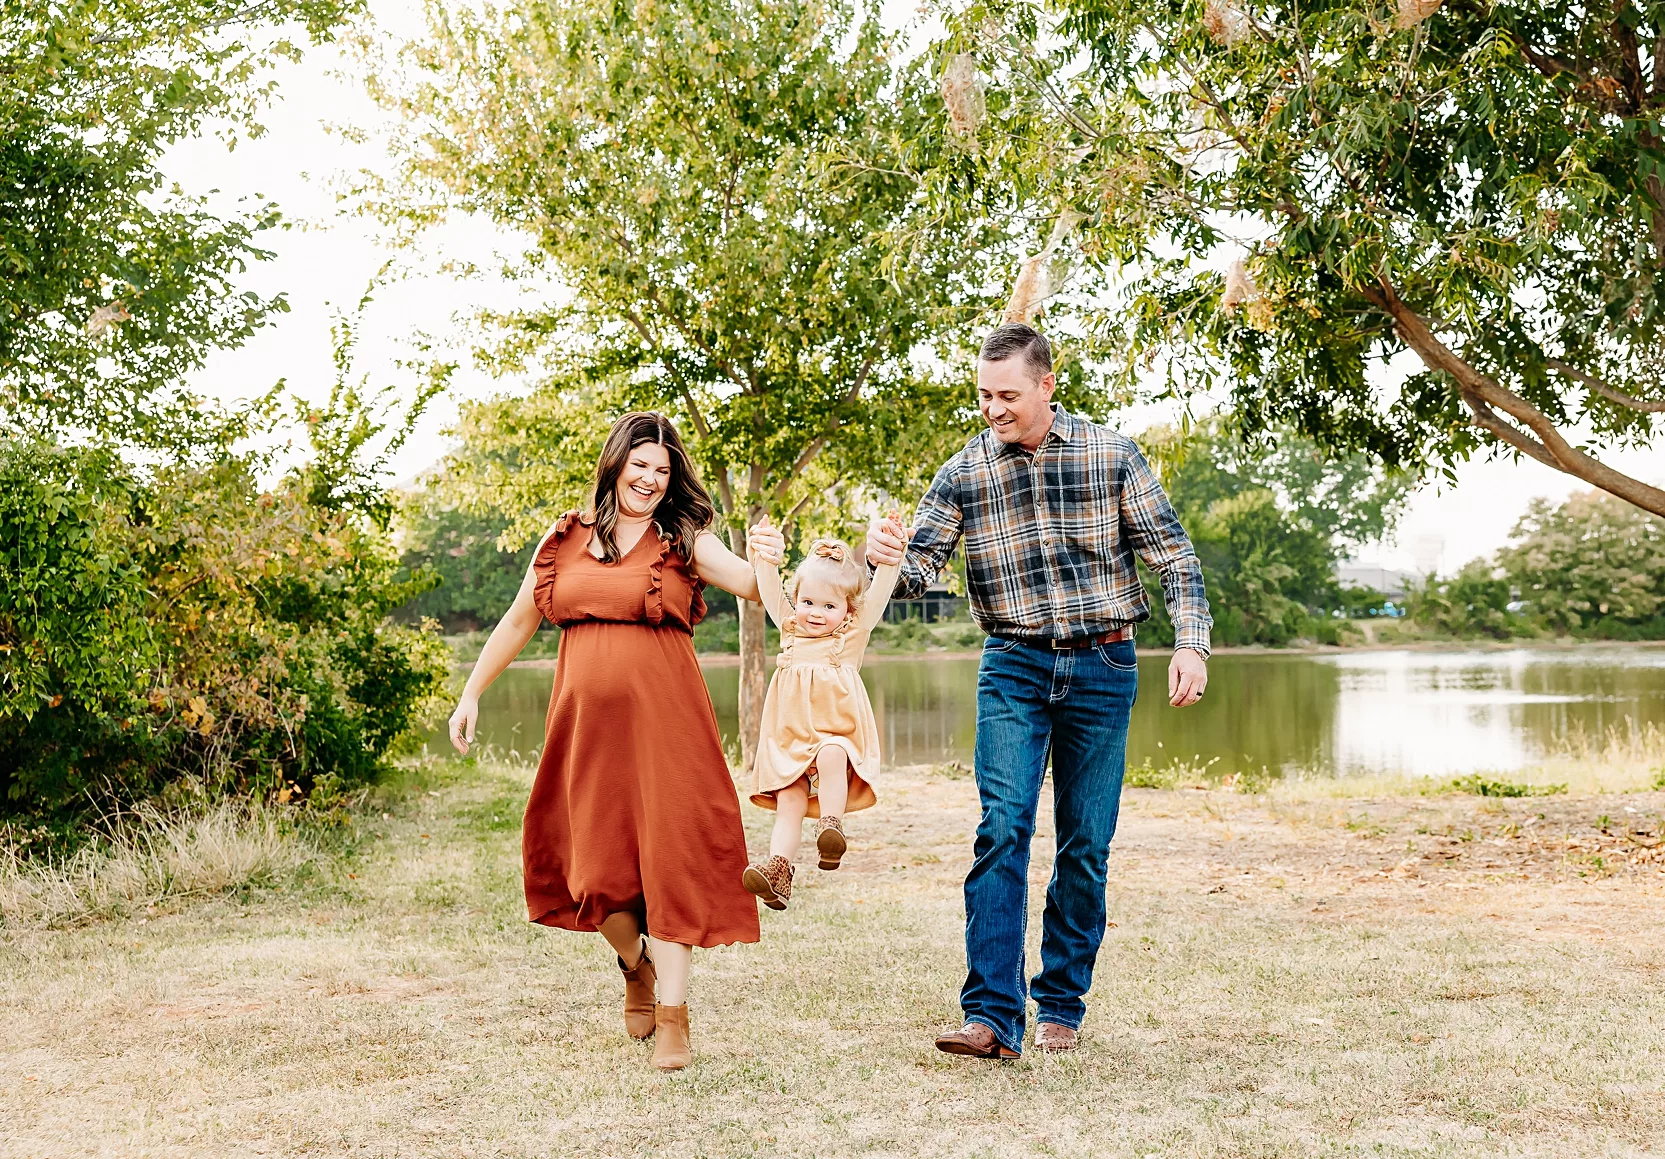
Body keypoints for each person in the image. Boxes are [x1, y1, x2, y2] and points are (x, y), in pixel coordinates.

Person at [865, 323, 1211, 1059]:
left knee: (1084, 844)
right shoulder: (963, 472)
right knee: (1002, 829)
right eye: (984, 394)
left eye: (1007, 394)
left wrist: (1190, 642)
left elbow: (1173, 556)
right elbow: (917, 574)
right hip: (1013, 666)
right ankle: (991, 1015)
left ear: (1046, 385)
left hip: (1103, 664)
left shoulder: (1109, 452)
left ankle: (1060, 1000)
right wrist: (884, 561)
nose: (992, 408)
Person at [448, 411, 785, 1071]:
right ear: (614, 464)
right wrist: (471, 691)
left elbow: (752, 587)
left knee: (670, 864)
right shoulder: (562, 537)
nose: (651, 479)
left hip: (668, 729)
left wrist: (769, 562)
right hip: (587, 736)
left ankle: (674, 1021)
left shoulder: (683, 539)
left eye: (662, 470)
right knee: (593, 874)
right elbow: (519, 621)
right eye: (640, 466)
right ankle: (636, 965)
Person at [739, 516, 903, 910]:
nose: (815, 612)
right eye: (808, 602)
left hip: (835, 734)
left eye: (829, 605)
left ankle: (831, 826)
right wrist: (764, 552)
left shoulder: (852, 634)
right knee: (789, 799)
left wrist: (893, 553)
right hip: (791, 740)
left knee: (831, 754)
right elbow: (768, 587)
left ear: (848, 608)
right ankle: (778, 870)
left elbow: (881, 588)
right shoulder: (790, 628)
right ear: (797, 601)